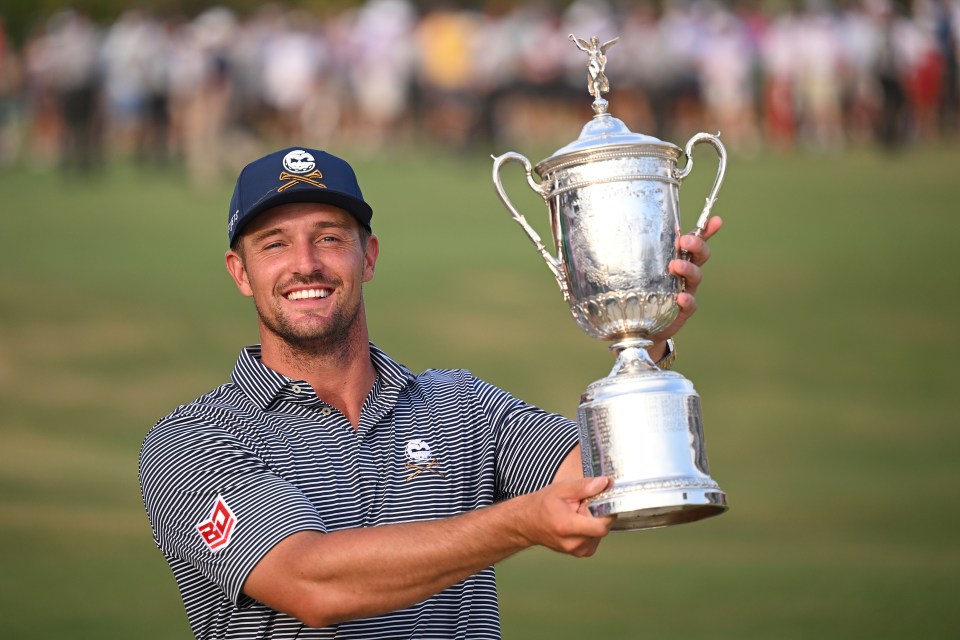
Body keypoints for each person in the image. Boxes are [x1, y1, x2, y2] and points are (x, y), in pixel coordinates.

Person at [138, 146, 723, 640]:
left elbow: (613, 481)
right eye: (274, 245)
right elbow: (310, 582)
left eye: (329, 237)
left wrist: (643, 342)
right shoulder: (192, 441)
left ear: (366, 257)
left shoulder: (461, 407)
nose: (306, 265)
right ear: (240, 273)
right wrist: (516, 524)